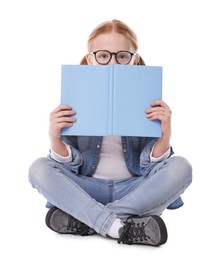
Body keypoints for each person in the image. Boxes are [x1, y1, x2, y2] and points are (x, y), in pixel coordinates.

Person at [28, 19, 192, 246]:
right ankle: (122, 227)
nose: (113, 63)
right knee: (38, 168)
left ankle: (90, 219)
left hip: (134, 190)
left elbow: (150, 167)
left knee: (181, 167)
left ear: (134, 60)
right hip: (87, 188)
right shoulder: (76, 93)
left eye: (122, 56)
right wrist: (55, 139)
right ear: (90, 58)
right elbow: (68, 167)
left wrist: (165, 136)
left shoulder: (147, 95)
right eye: (103, 56)